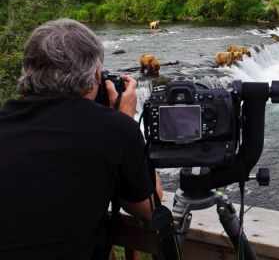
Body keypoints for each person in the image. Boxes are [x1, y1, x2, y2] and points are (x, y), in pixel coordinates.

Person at [0, 19, 162, 259]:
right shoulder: (114, 130)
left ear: (28, 70)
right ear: (96, 75)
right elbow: (151, 206)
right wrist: (126, 121)